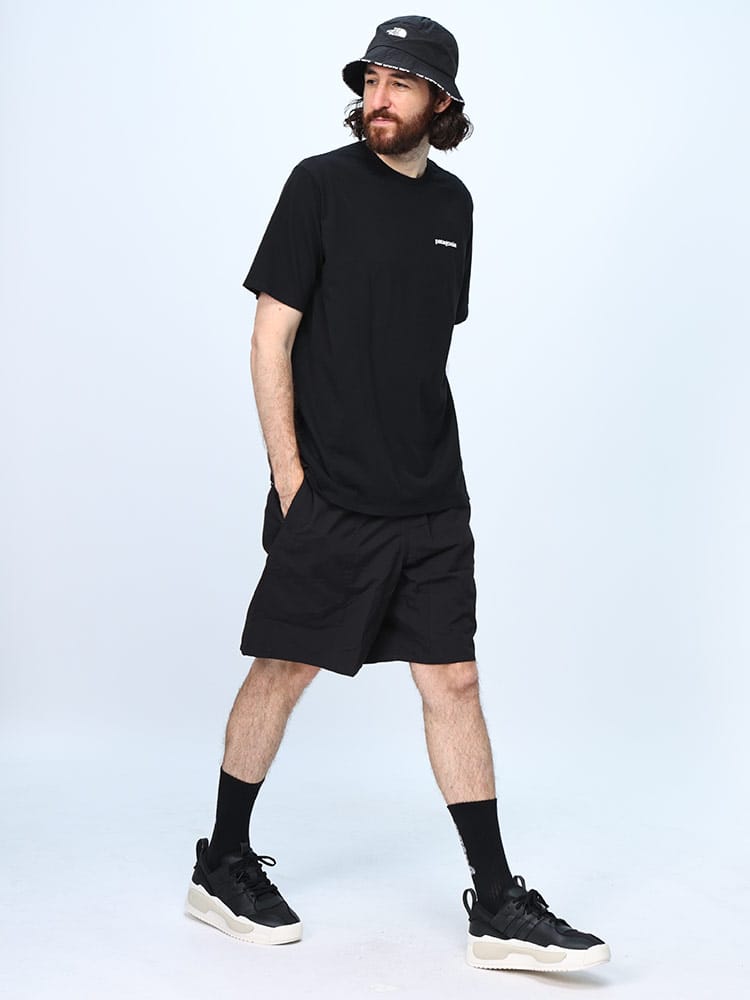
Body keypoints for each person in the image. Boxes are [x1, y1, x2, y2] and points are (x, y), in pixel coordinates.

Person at [184, 15, 610, 973]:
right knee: (284, 669)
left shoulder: (455, 204)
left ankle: (495, 903)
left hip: (431, 493)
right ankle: (221, 864)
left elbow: (422, 343)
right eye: (371, 80)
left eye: (400, 84)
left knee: (453, 680)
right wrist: (290, 480)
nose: (377, 99)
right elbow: (270, 337)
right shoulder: (319, 186)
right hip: (329, 488)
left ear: (441, 103)